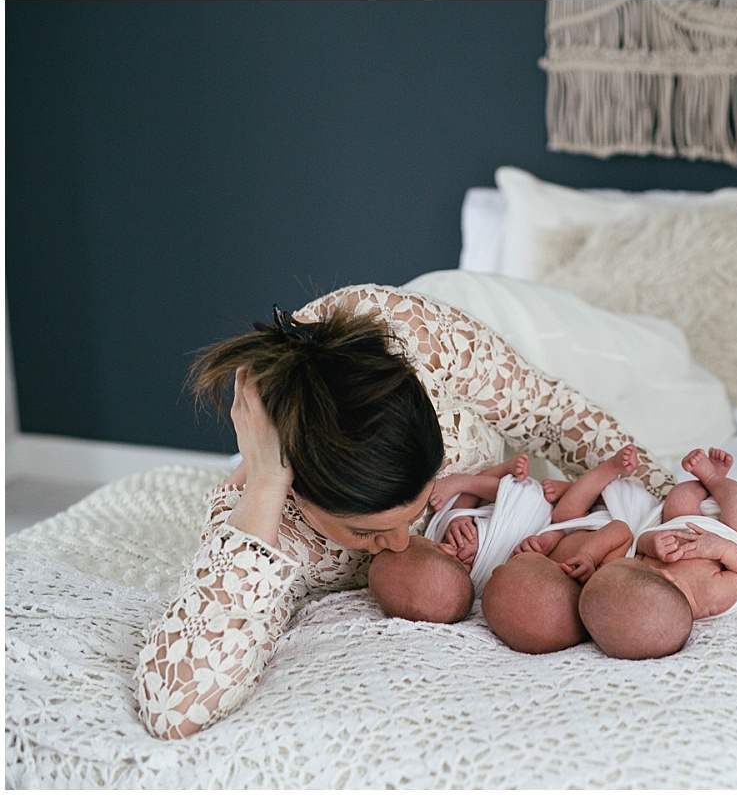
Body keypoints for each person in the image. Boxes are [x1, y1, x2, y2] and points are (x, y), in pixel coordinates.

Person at [134, 286, 673, 740]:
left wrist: (680, 501)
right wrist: (267, 480)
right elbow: (174, 707)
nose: (397, 542)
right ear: (297, 491)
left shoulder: (416, 338)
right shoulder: (269, 516)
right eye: (366, 532)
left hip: (499, 432)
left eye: (410, 511)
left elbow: (553, 414)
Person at [578, 448, 737, 660]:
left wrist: (652, 545)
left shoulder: (642, 578)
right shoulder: (709, 595)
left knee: (678, 498)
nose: (643, 563)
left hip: (681, 523)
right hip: (730, 534)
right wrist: (721, 548)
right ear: (666, 576)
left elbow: (639, 544)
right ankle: (713, 478)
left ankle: (707, 482)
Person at [481, 445, 647, 654]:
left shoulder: (553, 559)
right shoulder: (600, 576)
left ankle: (577, 486)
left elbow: (557, 531)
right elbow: (621, 530)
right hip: (621, 515)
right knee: (566, 513)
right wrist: (589, 555)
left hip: (580, 521)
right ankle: (610, 469)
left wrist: (544, 542)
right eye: (504, 570)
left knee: (563, 515)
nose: (496, 569)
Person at [367, 454, 532, 621]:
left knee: (465, 508)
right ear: (445, 549)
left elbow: (455, 515)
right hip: (527, 519)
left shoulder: (452, 572)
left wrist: (459, 519)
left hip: (510, 514)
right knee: (515, 499)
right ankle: (466, 483)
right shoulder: (482, 586)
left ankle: (490, 473)